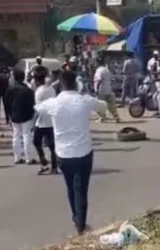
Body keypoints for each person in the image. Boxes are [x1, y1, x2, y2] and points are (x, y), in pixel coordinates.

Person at [34, 70, 106, 235]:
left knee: (70, 187)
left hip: (63, 154)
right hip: (84, 153)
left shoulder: (53, 103)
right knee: (82, 189)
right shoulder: (84, 100)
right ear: (76, 84)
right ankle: (80, 223)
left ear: (60, 85)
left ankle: (76, 218)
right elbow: (103, 106)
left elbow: (37, 108)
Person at [5, 69, 36, 164]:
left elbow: (7, 103)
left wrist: (9, 115)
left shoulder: (10, 90)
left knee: (16, 136)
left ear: (15, 78)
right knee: (27, 136)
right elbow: (32, 104)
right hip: (27, 116)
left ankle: (17, 157)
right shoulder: (28, 90)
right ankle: (29, 158)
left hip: (14, 116)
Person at [33, 66, 57, 175]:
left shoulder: (39, 92)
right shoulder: (51, 89)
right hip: (52, 120)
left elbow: (38, 109)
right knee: (52, 146)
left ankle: (44, 163)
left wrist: (33, 123)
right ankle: (54, 167)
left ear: (37, 80)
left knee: (36, 142)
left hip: (42, 122)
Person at [93, 57, 120, 123]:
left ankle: (102, 117)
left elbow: (99, 80)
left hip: (101, 90)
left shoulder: (99, 70)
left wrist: (96, 89)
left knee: (98, 104)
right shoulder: (106, 70)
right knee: (111, 105)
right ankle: (116, 117)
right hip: (108, 89)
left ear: (98, 63)